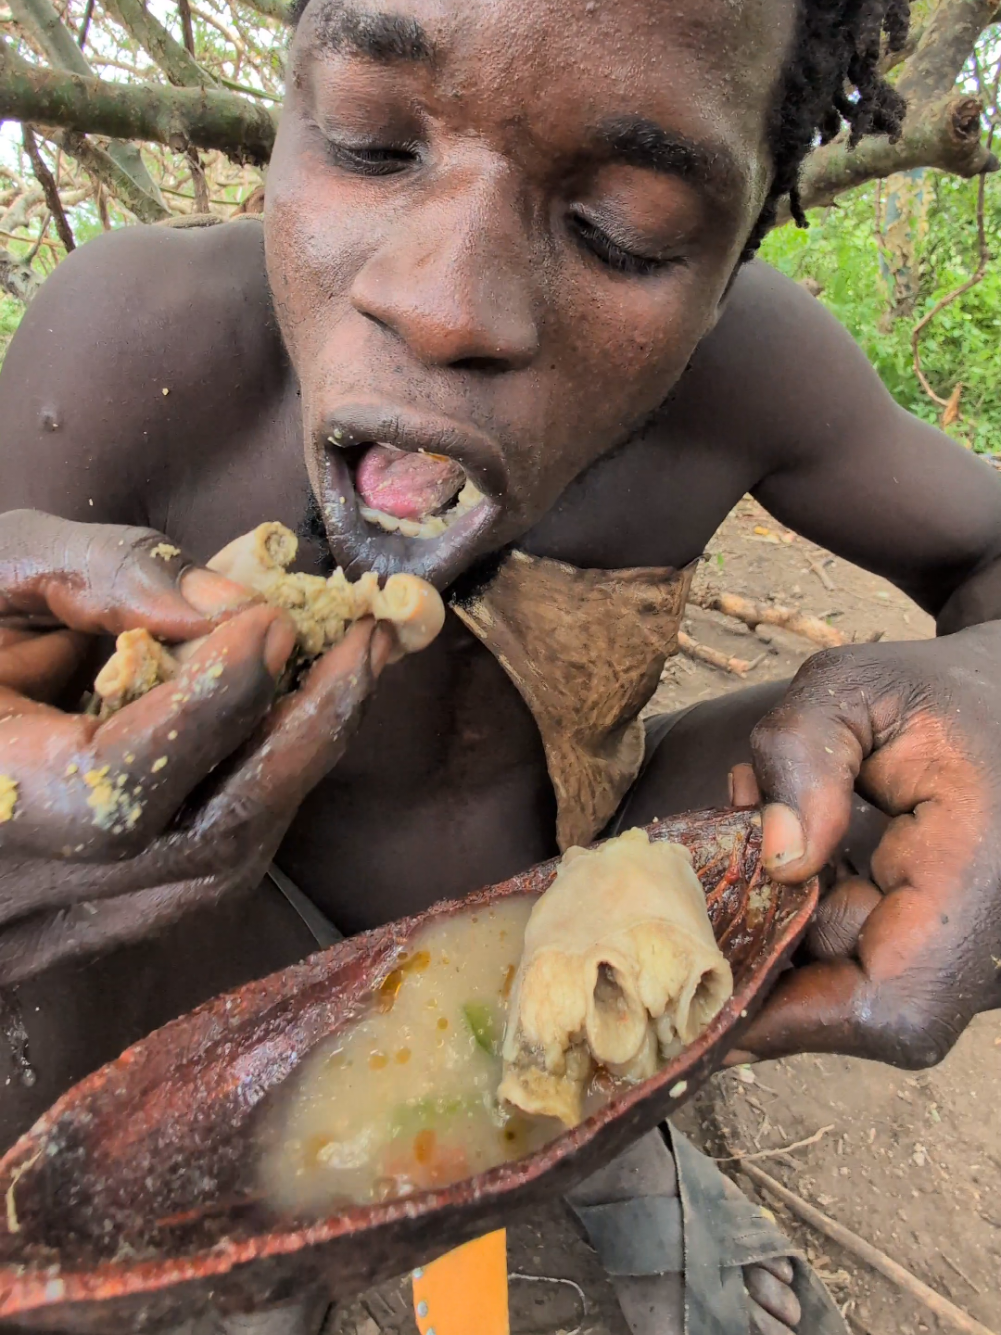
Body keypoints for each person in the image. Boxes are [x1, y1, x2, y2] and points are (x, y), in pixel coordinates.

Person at [1, 0, 1000, 1329]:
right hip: (219, 962)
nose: (442, 301)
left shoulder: (755, 376)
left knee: (879, 786)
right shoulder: (129, 345)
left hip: (559, 913)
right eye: (368, 141)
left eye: (621, 228)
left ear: (741, 244)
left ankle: (606, 1141)